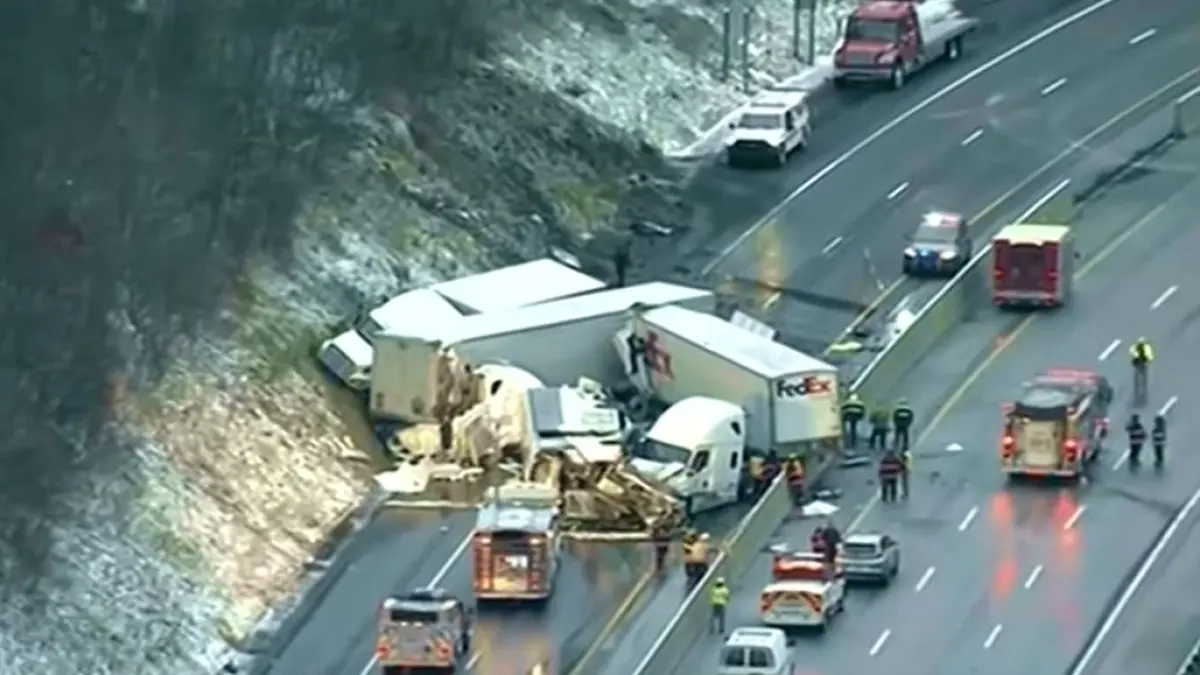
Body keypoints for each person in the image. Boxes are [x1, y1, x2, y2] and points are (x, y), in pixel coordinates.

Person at [1129, 337, 1154, 404]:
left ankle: (1138, 390)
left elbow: (1131, 352)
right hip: (1141, 365)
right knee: (1143, 379)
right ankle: (1142, 391)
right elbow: (1150, 357)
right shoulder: (1146, 348)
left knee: (1137, 378)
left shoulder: (1136, 347)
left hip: (1139, 365)